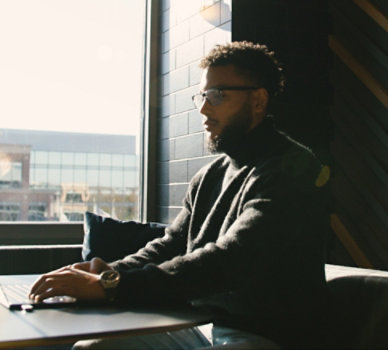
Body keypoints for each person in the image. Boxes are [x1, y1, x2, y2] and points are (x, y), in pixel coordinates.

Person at [30, 41, 330, 349]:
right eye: (202, 95)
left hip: (266, 336)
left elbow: (232, 260)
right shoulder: (209, 176)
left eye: (217, 95)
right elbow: (171, 245)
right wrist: (106, 271)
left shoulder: (292, 169)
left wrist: (112, 286)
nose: (202, 108)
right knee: (92, 347)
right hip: (203, 325)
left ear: (258, 100)